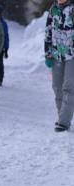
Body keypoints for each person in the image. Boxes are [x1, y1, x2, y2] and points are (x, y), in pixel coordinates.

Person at [45, 0, 74, 132]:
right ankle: (62, 116)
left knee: (68, 87)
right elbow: (48, 32)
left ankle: (63, 121)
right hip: (57, 54)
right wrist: (47, 53)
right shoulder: (53, 9)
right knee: (57, 86)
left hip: (72, 55)